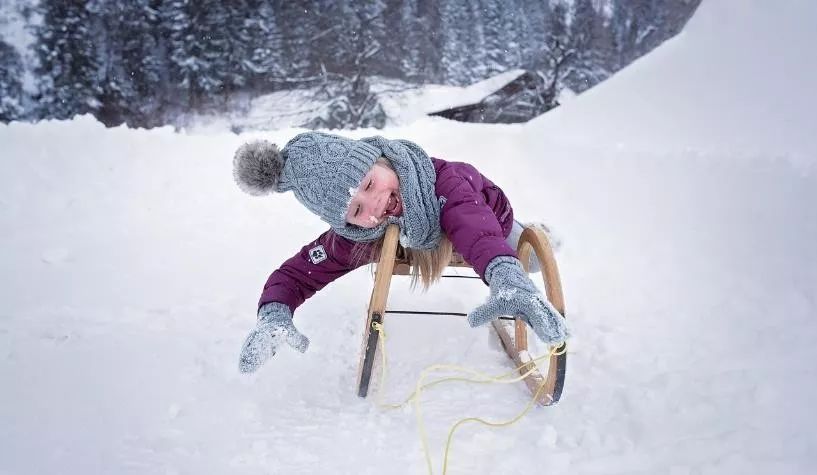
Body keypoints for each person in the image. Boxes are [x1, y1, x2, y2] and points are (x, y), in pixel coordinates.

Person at [233, 131, 569, 373]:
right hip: (412, 241)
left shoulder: (446, 184)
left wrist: (507, 276)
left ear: (381, 161)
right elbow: (297, 273)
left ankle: (534, 233)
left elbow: (475, 231)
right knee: (385, 235)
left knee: (531, 258)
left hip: (486, 217)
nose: (375, 204)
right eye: (356, 210)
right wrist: (274, 314)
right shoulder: (364, 234)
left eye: (368, 185)